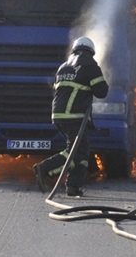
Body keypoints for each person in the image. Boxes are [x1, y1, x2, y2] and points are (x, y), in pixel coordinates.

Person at [33, 36, 108, 197]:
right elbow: (102, 91)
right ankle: (45, 168)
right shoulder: (90, 66)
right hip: (74, 116)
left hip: (58, 115)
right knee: (75, 151)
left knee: (81, 152)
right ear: (91, 52)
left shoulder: (63, 67)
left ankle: (74, 186)